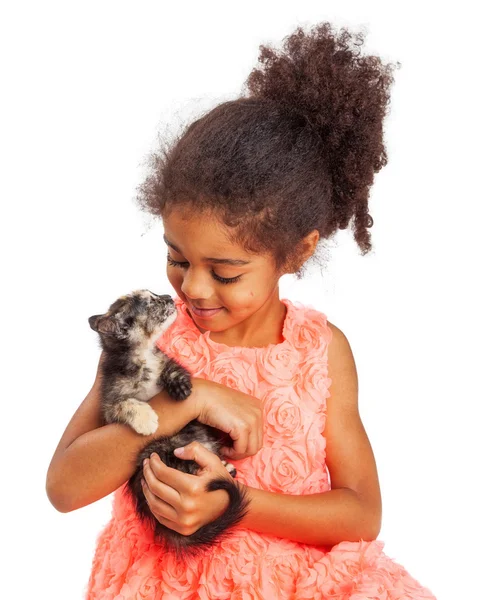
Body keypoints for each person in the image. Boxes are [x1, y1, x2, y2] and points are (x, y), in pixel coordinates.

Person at [46, 21, 437, 599]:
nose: (195, 288)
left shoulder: (321, 350)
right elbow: (65, 486)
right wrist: (191, 399)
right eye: (177, 260)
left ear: (297, 251)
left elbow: (361, 512)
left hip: (297, 582)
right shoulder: (147, 342)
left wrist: (234, 506)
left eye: (226, 272)